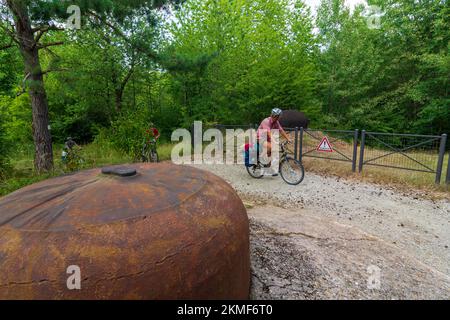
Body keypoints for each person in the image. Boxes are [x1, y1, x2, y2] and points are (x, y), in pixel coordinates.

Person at [257, 108, 292, 175]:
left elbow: (281, 130)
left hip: (267, 138)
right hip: (260, 138)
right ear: (275, 116)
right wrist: (274, 141)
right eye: (279, 116)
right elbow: (269, 132)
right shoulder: (266, 121)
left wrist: (288, 139)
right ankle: (261, 157)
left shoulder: (276, 122)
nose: (280, 118)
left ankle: (269, 165)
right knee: (273, 147)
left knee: (272, 151)